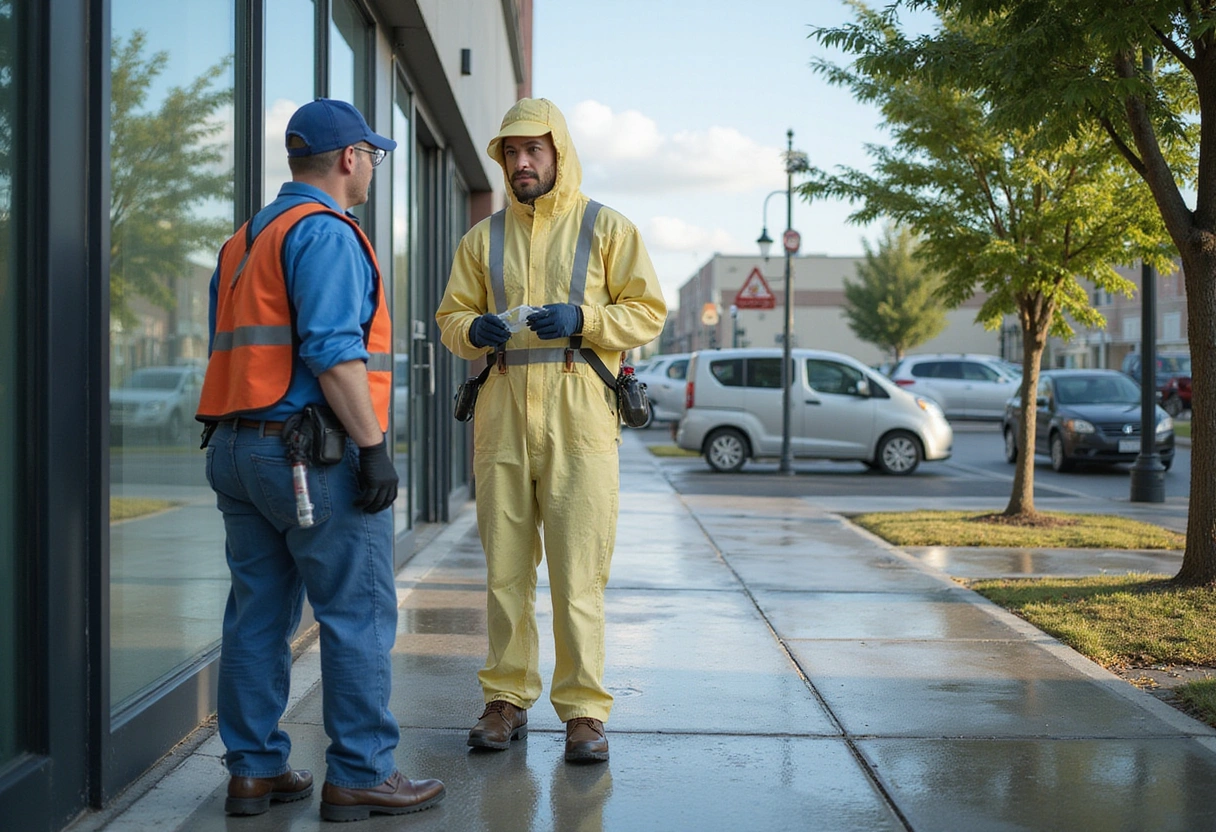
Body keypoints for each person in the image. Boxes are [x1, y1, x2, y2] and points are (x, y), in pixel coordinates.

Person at [196, 98, 444, 822]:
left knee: (256, 616)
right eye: (373, 154)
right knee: (356, 615)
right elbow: (333, 353)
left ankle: (254, 770)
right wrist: (375, 450)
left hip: (238, 450)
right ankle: (363, 772)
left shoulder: (244, 240)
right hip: (309, 456)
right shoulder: (327, 234)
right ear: (348, 158)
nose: (372, 167)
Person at [435, 98, 667, 763]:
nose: (521, 162)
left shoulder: (606, 228)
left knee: (578, 576)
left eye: (533, 150)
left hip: (581, 424)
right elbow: (452, 316)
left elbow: (647, 310)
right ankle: (505, 699)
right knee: (505, 572)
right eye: (510, 152)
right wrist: (467, 331)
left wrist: (586, 319)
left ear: (559, 153)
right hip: (504, 419)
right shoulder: (484, 239)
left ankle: (584, 712)